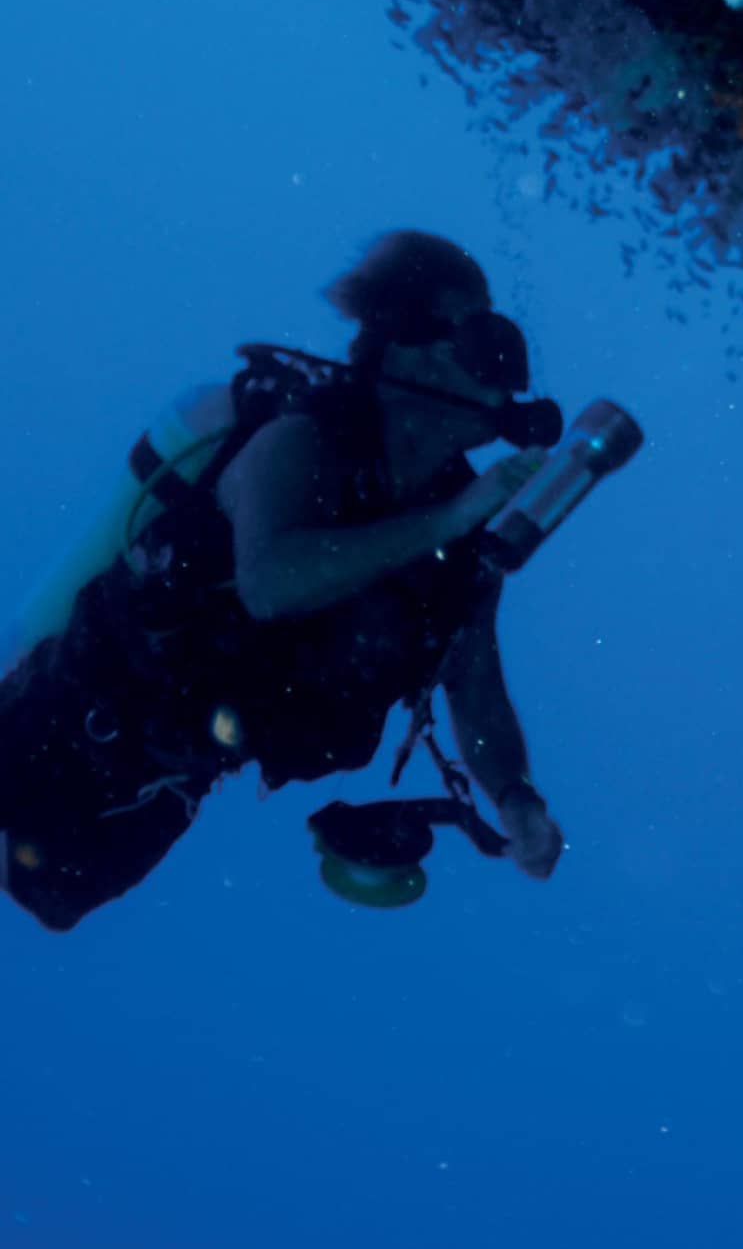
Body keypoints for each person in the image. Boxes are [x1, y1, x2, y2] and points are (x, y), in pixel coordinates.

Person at [0, 230, 565, 931]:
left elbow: (475, 685)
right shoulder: (303, 441)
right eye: (481, 340)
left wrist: (514, 794)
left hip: (172, 782)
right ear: (408, 343)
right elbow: (271, 581)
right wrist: (447, 521)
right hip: (57, 718)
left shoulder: (461, 532)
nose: (506, 369)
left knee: (54, 898)